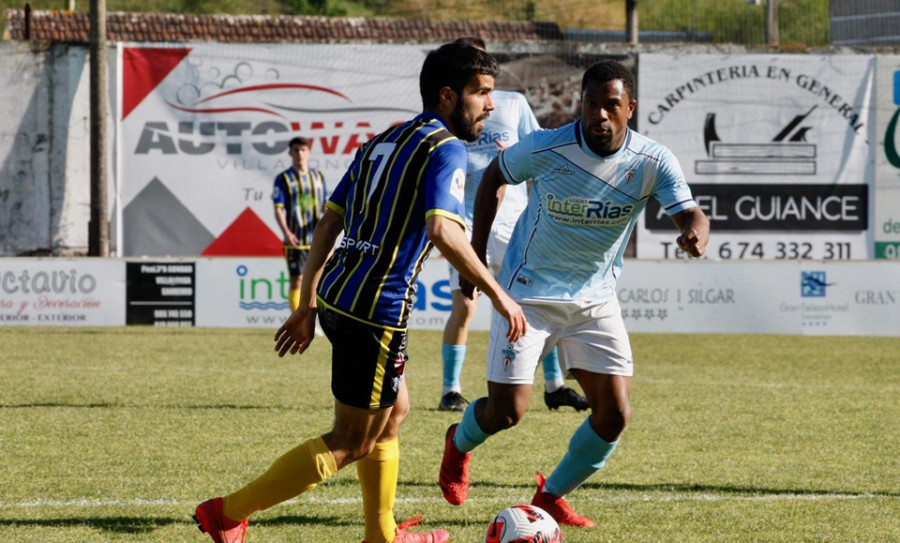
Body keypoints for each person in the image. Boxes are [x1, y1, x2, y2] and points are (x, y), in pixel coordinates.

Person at [193, 42, 526, 543]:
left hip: (339, 297)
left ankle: (381, 533)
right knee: (354, 440)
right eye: (481, 93)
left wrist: (307, 304)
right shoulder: (447, 149)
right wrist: (499, 293)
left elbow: (330, 220)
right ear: (447, 96)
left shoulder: (385, 139)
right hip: (377, 310)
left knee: (395, 412)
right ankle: (227, 513)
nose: (490, 106)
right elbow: (443, 230)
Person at [439, 59, 710, 527]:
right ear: (580, 105)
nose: (599, 115)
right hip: (528, 295)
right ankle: (456, 445)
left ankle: (551, 495)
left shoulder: (653, 160)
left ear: (631, 108)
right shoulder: (549, 147)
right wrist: (477, 257)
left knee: (614, 414)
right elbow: (493, 180)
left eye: (611, 106)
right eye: (590, 104)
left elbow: (690, 213)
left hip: (595, 300)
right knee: (507, 412)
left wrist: (694, 233)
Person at [438, 37, 588, 413]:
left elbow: (538, 155)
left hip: (514, 225)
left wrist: (517, 163)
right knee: (466, 306)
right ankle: (450, 389)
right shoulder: (452, 106)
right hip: (466, 222)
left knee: (536, 303)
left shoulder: (513, 103)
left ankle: (553, 387)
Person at [272, 136, 327, 312]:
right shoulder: (284, 179)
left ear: (309, 152)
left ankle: (316, 319)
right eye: (296, 150)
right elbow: (279, 208)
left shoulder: (318, 177)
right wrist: (287, 232)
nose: (299, 154)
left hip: (317, 239)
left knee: (319, 280)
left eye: (303, 150)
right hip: (295, 240)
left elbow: (326, 206)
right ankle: (297, 319)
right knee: (297, 280)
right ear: (290, 152)